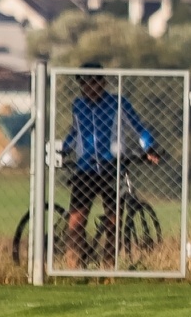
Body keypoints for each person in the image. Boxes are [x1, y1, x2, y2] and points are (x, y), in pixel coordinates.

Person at [63, 63, 158, 268]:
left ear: (102, 82)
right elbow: (74, 133)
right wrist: (61, 149)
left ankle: (108, 267)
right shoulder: (78, 105)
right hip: (85, 169)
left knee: (113, 222)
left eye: (91, 82)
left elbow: (138, 128)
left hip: (111, 168)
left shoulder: (118, 103)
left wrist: (149, 148)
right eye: (82, 83)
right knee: (76, 220)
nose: (86, 87)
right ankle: (73, 266)